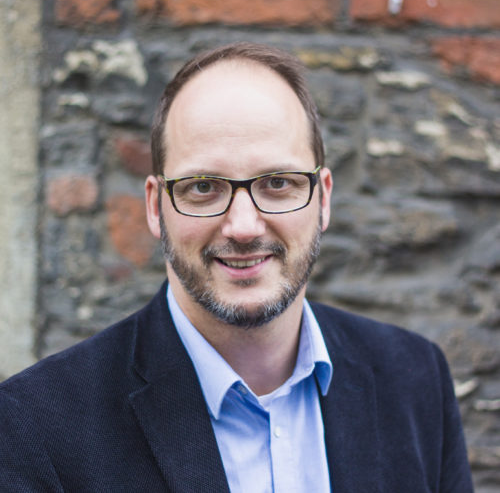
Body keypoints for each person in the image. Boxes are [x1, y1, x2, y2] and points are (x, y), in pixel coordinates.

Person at [0, 42, 473, 492]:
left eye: (278, 182)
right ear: (155, 206)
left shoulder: (415, 379)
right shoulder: (35, 427)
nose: (243, 227)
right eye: (203, 187)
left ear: (323, 198)